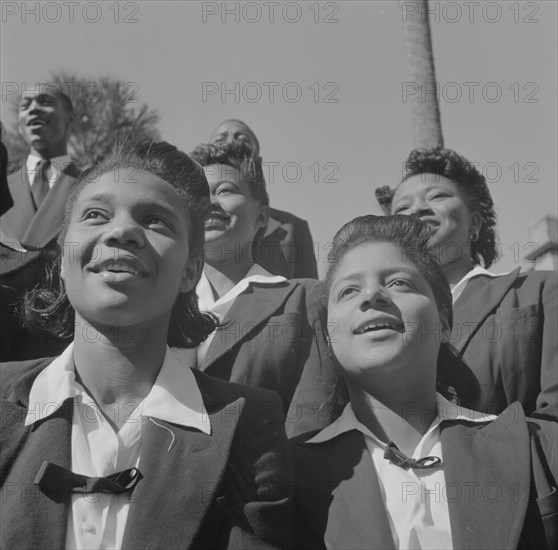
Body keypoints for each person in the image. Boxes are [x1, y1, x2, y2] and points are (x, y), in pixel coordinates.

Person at [0, 140, 292, 550]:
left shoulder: (248, 422)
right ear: (63, 259)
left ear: (191, 270)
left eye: (156, 222)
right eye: (96, 214)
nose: (121, 231)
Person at [292, 215, 557, 550]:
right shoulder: (288, 478)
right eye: (348, 290)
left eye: (399, 283)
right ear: (329, 337)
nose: (372, 295)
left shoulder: (540, 446)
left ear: (444, 323)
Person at [375, 147, 557, 420]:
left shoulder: (539, 292)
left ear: (474, 223)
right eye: (402, 208)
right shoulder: (376, 319)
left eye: (437, 196)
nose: (418, 210)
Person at [174, 141, 338, 437]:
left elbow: (311, 423)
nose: (211, 202)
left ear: (262, 216)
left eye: (226, 190)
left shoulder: (304, 299)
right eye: (199, 195)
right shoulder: (164, 302)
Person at [209, 119, 318, 279]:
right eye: (220, 139)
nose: (231, 142)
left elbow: (309, 292)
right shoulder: (191, 221)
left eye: (242, 139)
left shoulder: (293, 227)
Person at [1, 84, 81, 249]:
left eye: (45, 102)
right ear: (19, 126)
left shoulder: (90, 184)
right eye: (25, 105)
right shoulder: (3, 185)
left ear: (71, 120)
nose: (33, 109)